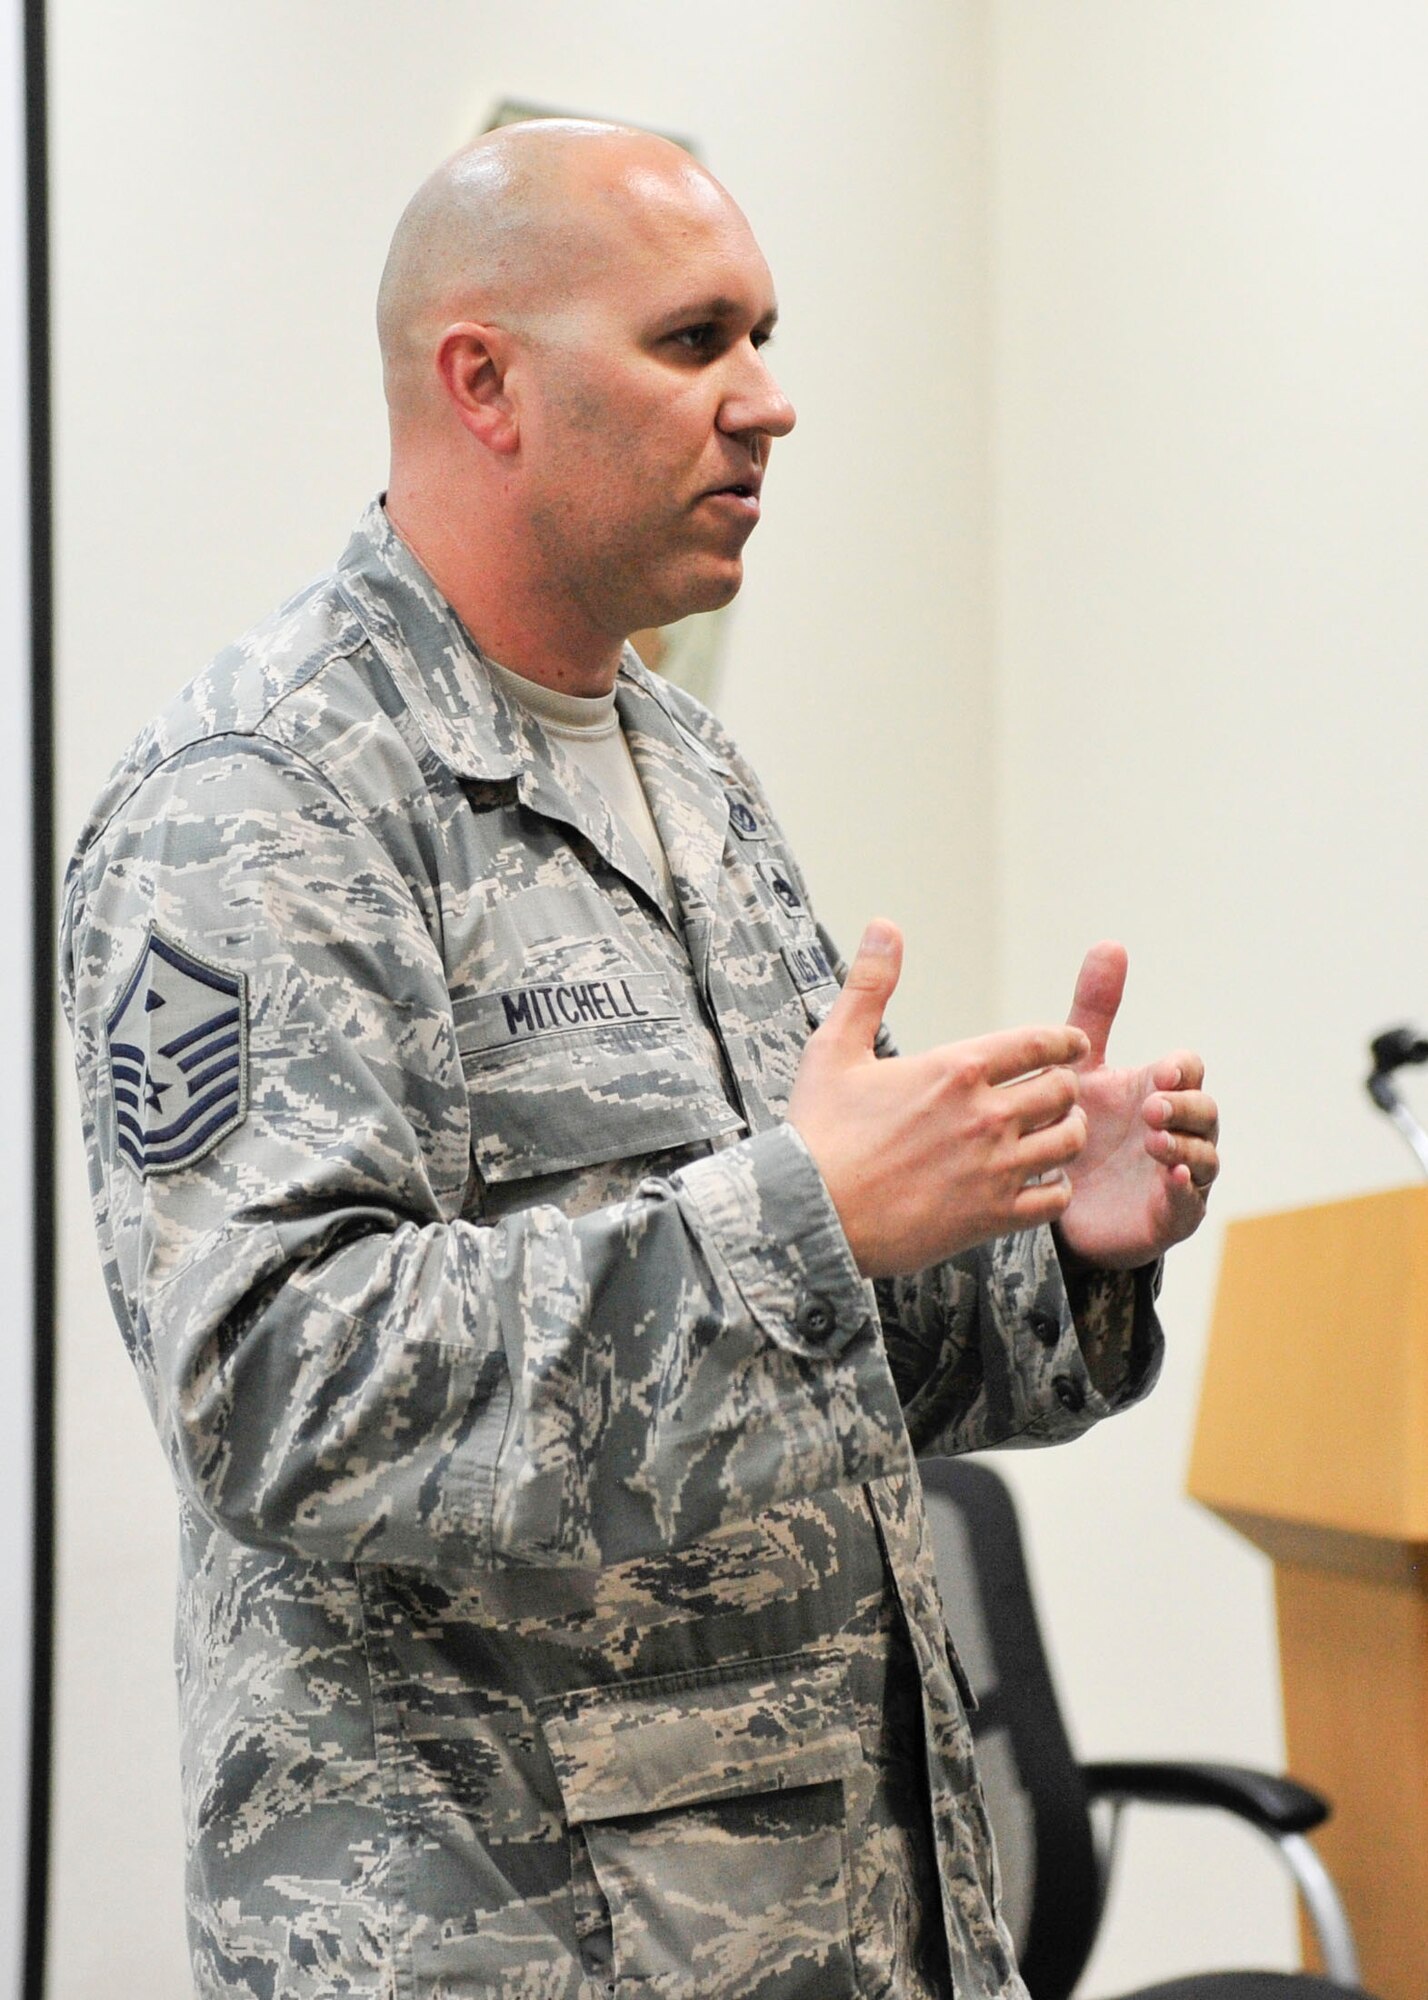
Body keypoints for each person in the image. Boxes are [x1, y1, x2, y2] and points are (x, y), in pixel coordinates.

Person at [61, 121, 1219, 2000]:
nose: (768, 403)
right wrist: (800, 1214)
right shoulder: (262, 799)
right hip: (504, 1945)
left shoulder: (687, 770)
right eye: (695, 342)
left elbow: (823, 1345)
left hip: (837, 1927)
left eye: (766, 336)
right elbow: (275, 1387)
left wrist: (1056, 1254)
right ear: (484, 382)